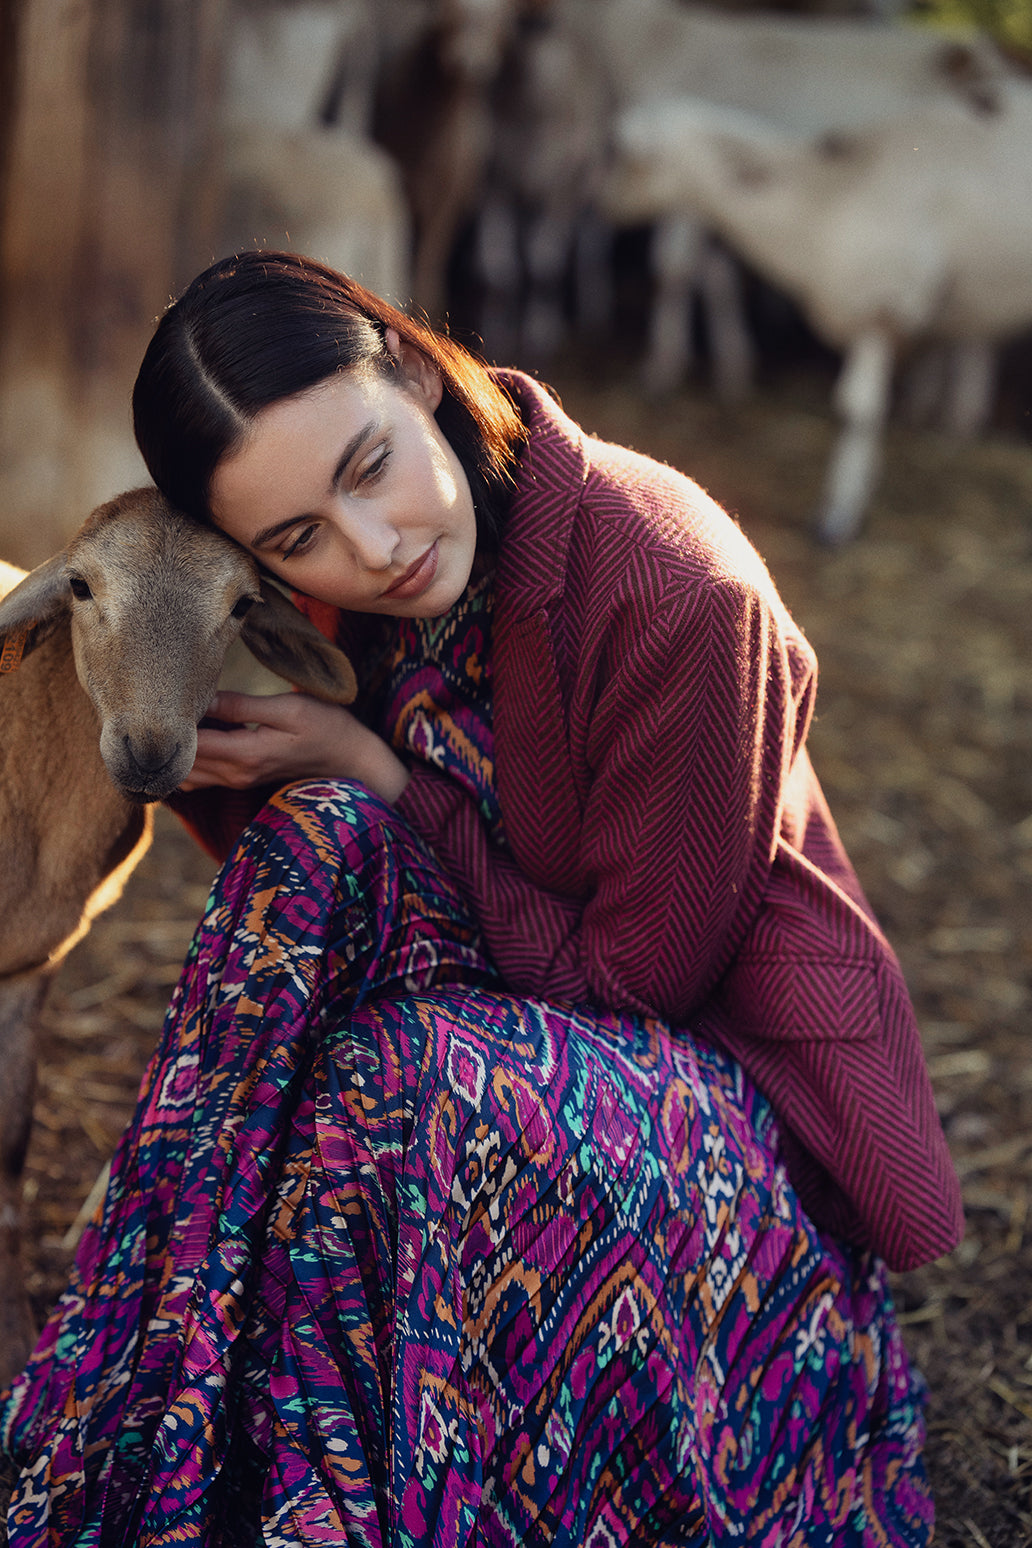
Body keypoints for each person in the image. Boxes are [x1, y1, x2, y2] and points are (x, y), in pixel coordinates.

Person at [1, 250, 961, 1546]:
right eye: (297, 540)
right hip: (474, 1057)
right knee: (321, 867)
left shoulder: (680, 591)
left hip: (720, 1126)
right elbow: (316, 887)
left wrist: (378, 771)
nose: (376, 547)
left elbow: (636, 985)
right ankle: (139, 1409)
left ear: (410, 366)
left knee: (390, 1063)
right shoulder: (343, 593)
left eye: (369, 466)